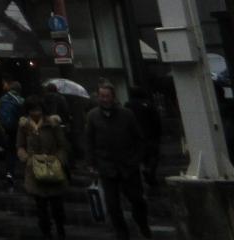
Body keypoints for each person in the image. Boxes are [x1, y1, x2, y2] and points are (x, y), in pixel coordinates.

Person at [85, 83, 151, 240]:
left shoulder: (126, 114)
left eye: (107, 96)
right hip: (106, 166)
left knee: (136, 198)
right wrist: (91, 162)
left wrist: (137, 158)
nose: (105, 99)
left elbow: (139, 137)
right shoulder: (93, 116)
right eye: (102, 96)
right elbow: (89, 141)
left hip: (128, 164)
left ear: (114, 97)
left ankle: (142, 222)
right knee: (112, 204)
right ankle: (122, 233)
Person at [16, 95, 69, 240]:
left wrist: (59, 161)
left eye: (38, 109)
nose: (36, 113)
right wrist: (27, 160)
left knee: (57, 205)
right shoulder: (24, 126)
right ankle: (46, 232)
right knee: (41, 207)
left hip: (54, 168)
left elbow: (63, 145)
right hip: (35, 171)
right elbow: (20, 145)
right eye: (33, 110)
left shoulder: (52, 124)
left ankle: (60, 228)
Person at [124, 87, 162, 191]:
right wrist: (158, 135)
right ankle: (150, 172)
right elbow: (156, 121)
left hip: (135, 137)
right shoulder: (148, 105)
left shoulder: (127, 105)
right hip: (150, 136)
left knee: (142, 157)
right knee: (153, 156)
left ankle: (146, 177)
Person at [0, 81, 26, 183]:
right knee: (23, 148)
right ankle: (27, 170)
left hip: (7, 129)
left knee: (10, 151)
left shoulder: (2, 100)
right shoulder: (21, 100)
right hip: (19, 129)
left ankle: (9, 171)